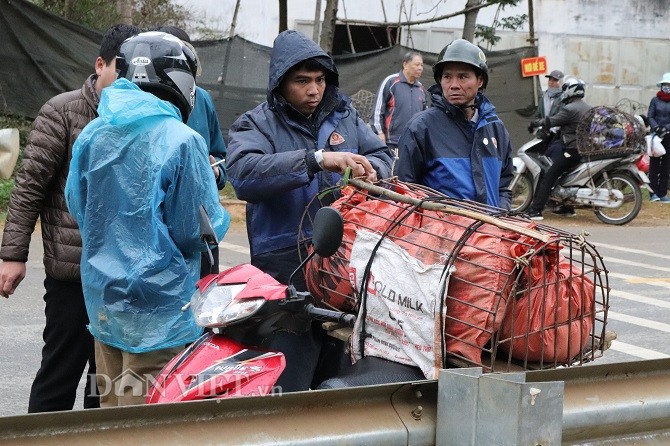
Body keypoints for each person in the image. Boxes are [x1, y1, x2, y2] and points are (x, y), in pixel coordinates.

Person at [64, 31, 230, 407]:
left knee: (111, 418)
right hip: (161, 312)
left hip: (106, 304)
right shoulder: (182, 140)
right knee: (148, 423)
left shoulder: (93, 133)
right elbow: (196, 231)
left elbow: (77, 205)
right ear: (180, 80)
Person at [226, 29, 393, 392]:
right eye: (302, 81)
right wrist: (315, 160)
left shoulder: (344, 117)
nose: (313, 90)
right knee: (289, 378)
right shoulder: (255, 123)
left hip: (345, 265)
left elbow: (382, 154)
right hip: (284, 269)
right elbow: (242, 174)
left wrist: (373, 169)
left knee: (340, 374)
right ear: (280, 84)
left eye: (319, 80)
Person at [0, 23, 140, 413]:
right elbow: (29, 187)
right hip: (72, 275)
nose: (130, 80)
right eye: (121, 69)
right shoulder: (63, 111)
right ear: (100, 65)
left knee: (106, 382)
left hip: (121, 276)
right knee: (59, 373)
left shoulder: (141, 118)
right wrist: (13, 255)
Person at [395, 38, 513, 209]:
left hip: (490, 233)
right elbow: (403, 191)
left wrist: (500, 218)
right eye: (447, 77)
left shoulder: (496, 129)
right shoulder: (421, 128)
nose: (454, 85)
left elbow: (504, 185)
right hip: (442, 234)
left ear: (480, 81)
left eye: (463, 77)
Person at [155, 25, 229, 276]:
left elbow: (221, 157)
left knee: (203, 303)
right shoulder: (144, 101)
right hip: (156, 230)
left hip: (200, 229)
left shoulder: (203, 99)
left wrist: (216, 172)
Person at [527, 77, 592, 220]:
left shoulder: (570, 109)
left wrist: (536, 123)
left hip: (571, 150)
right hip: (582, 149)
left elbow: (553, 120)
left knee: (549, 176)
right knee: (563, 177)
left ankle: (535, 210)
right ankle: (566, 208)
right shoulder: (587, 107)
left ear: (571, 91)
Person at [369, 51, 427, 158]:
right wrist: (379, 133)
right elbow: (377, 110)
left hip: (414, 142)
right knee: (393, 171)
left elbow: (424, 116)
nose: (420, 68)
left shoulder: (421, 88)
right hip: (392, 141)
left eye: (422, 65)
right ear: (405, 64)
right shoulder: (391, 82)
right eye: (417, 64)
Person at [646, 72, 670, 203]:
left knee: (666, 165)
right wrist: (657, 128)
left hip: (668, 136)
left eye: (669, 85)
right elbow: (650, 116)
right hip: (656, 137)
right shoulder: (654, 100)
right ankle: (652, 193)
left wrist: (666, 129)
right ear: (661, 86)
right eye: (665, 85)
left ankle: (662, 193)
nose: (667, 87)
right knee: (654, 166)